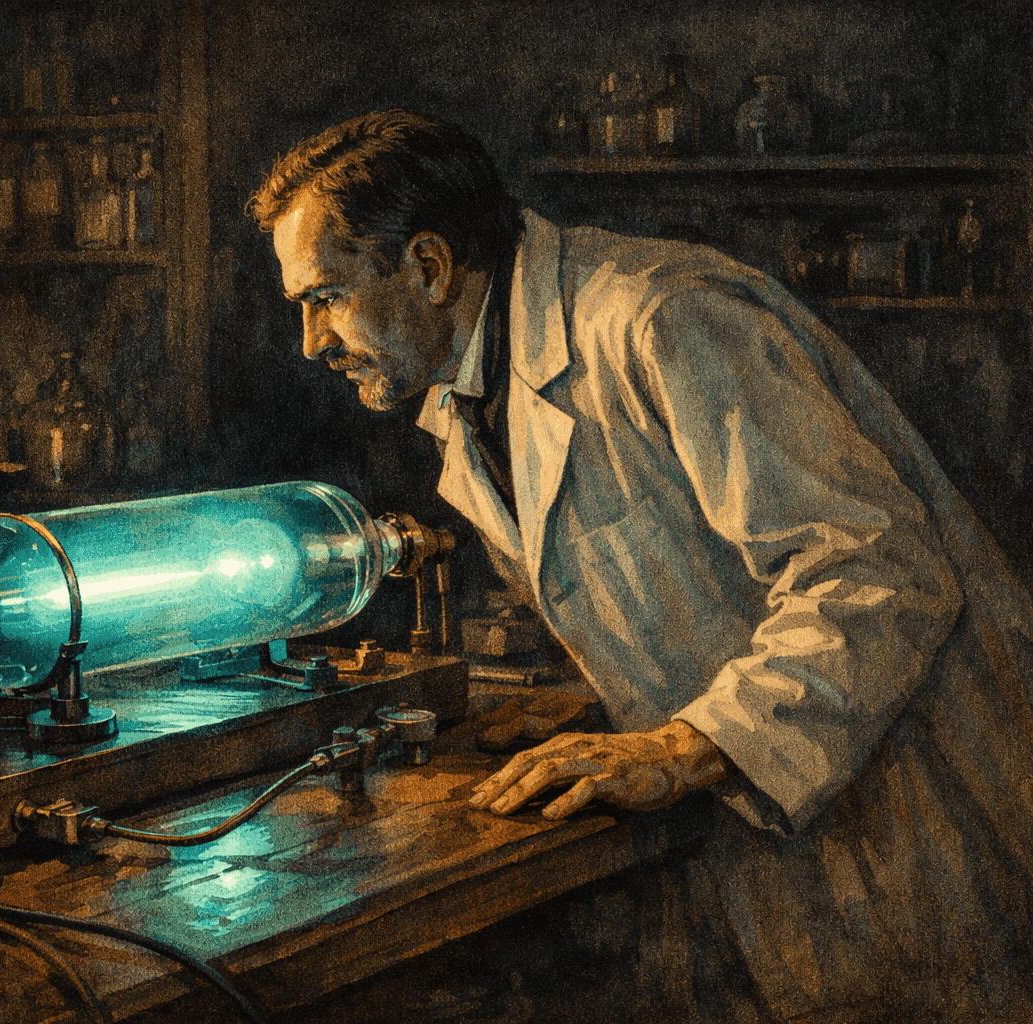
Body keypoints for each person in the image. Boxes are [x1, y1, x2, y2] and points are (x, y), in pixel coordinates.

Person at [250, 110, 1033, 1022]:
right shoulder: (468, 393)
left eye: (326, 297)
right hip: (775, 854)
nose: (312, 341)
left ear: (428, 266)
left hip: (914, 819)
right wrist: (607, 700)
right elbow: (684, 583)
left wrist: (679, 745)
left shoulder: (662, 318)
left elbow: (881, 576)